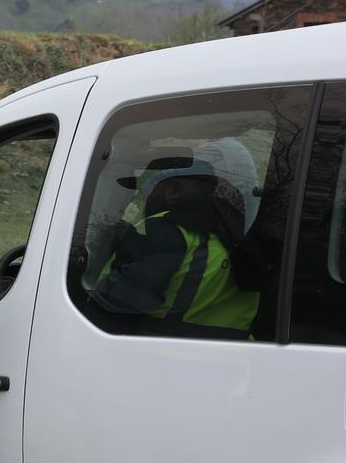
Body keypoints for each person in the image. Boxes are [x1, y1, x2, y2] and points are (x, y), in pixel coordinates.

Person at [90, 137, 259, 334]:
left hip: (152, 351)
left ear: (173, 191)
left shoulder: (163, 229)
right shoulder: (241, 238)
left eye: (147, 193)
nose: (140, 203)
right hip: (227, 355)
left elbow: (117, 305)